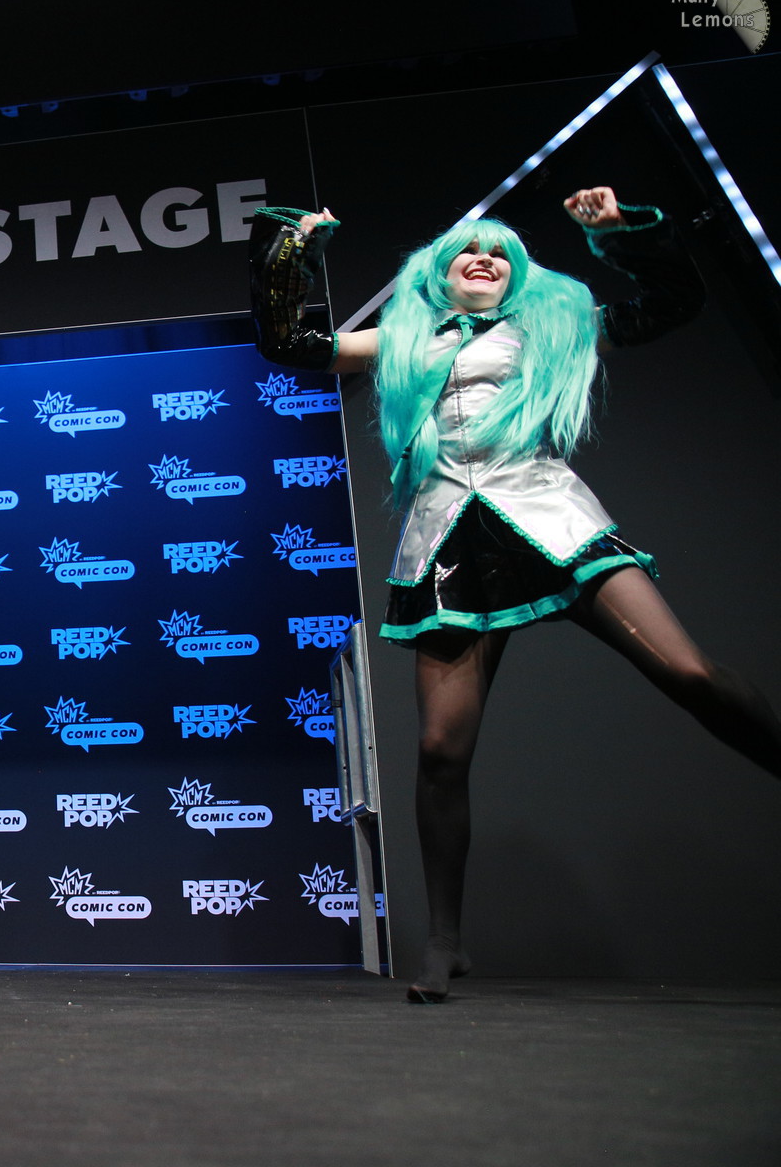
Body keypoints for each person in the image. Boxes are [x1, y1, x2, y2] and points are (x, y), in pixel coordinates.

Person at [250, 187, 781, 1002]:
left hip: (553, 521)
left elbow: (672, 302)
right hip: (448, 539)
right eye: (468, 250)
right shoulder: (400, 338)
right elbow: (290, 344)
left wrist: (623, 233)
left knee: (691, 674)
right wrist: (295, 250)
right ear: (438, 271)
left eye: (500, 254)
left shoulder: (555, 326)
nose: (484, 260)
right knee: (440, 751)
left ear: (517, 275)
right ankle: (447, 942)